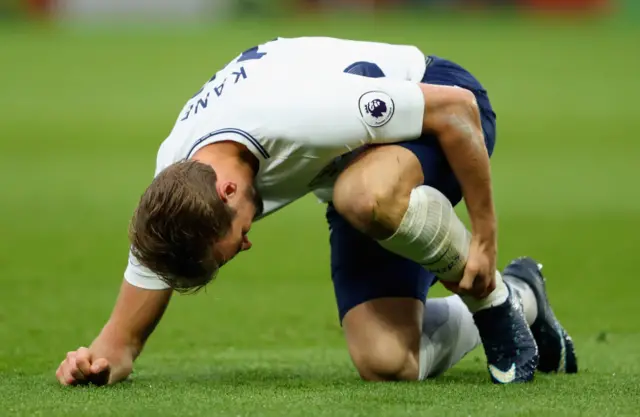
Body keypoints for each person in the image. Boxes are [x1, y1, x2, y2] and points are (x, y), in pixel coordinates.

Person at [55, 36, 577, 386]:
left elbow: (457, 109)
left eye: (235, 237)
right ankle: (528, 295)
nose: (246, 244)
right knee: (387, 361)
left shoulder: (297, 116)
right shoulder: (175, 193)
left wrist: (484, 238)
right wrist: (92, 362)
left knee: (360, 194)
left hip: (438, 106)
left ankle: (494, 303)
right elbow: (119, 344)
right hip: (355, 164)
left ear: (229, 191)